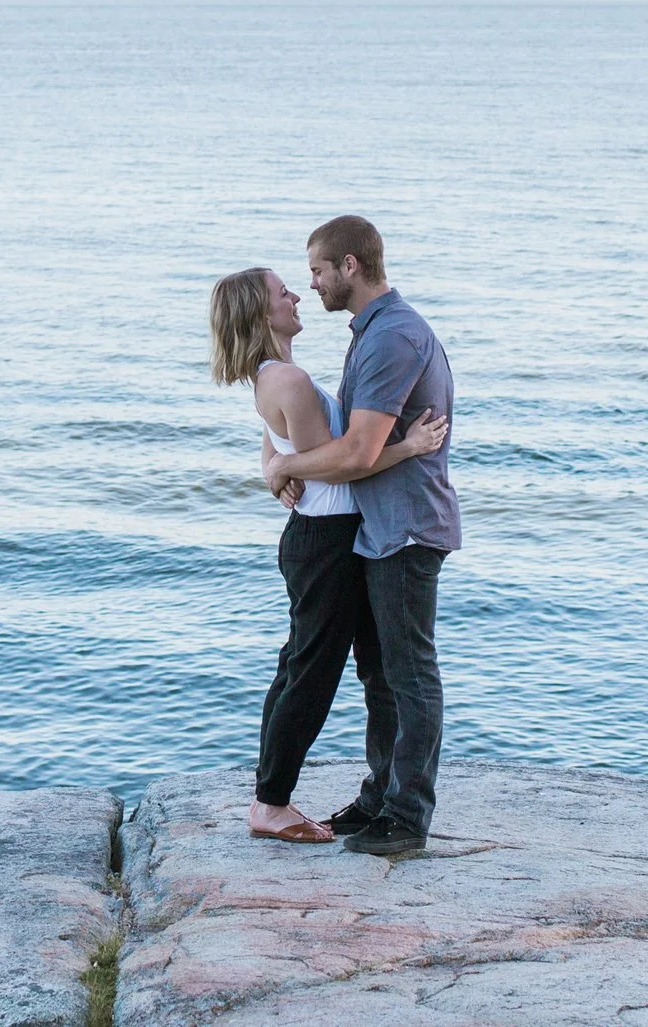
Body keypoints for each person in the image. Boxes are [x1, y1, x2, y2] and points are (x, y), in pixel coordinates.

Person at [209, 264, 445, 845]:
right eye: (280, 291)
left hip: (322, 538)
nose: (295, 295)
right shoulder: (287, 380)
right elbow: (344, 466)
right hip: (326, 540)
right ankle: (270, 804)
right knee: (311, 673)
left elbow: (287, 446)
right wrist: (410, 445)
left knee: (301, 665)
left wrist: (278, 464)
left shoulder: (282, 376)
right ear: (259, 314)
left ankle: (277, 796)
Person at [264, 215, 460, 856]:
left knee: (409, 675)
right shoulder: (370, 334)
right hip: (376, 531)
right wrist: (280, 460)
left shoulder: (391, 338)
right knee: (379, 674)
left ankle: (406, 819)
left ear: (350, 265)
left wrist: (286, 466)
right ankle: (379, 798)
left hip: (403, 529)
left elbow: (355, 452)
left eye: (317, 270)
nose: (311, 283)